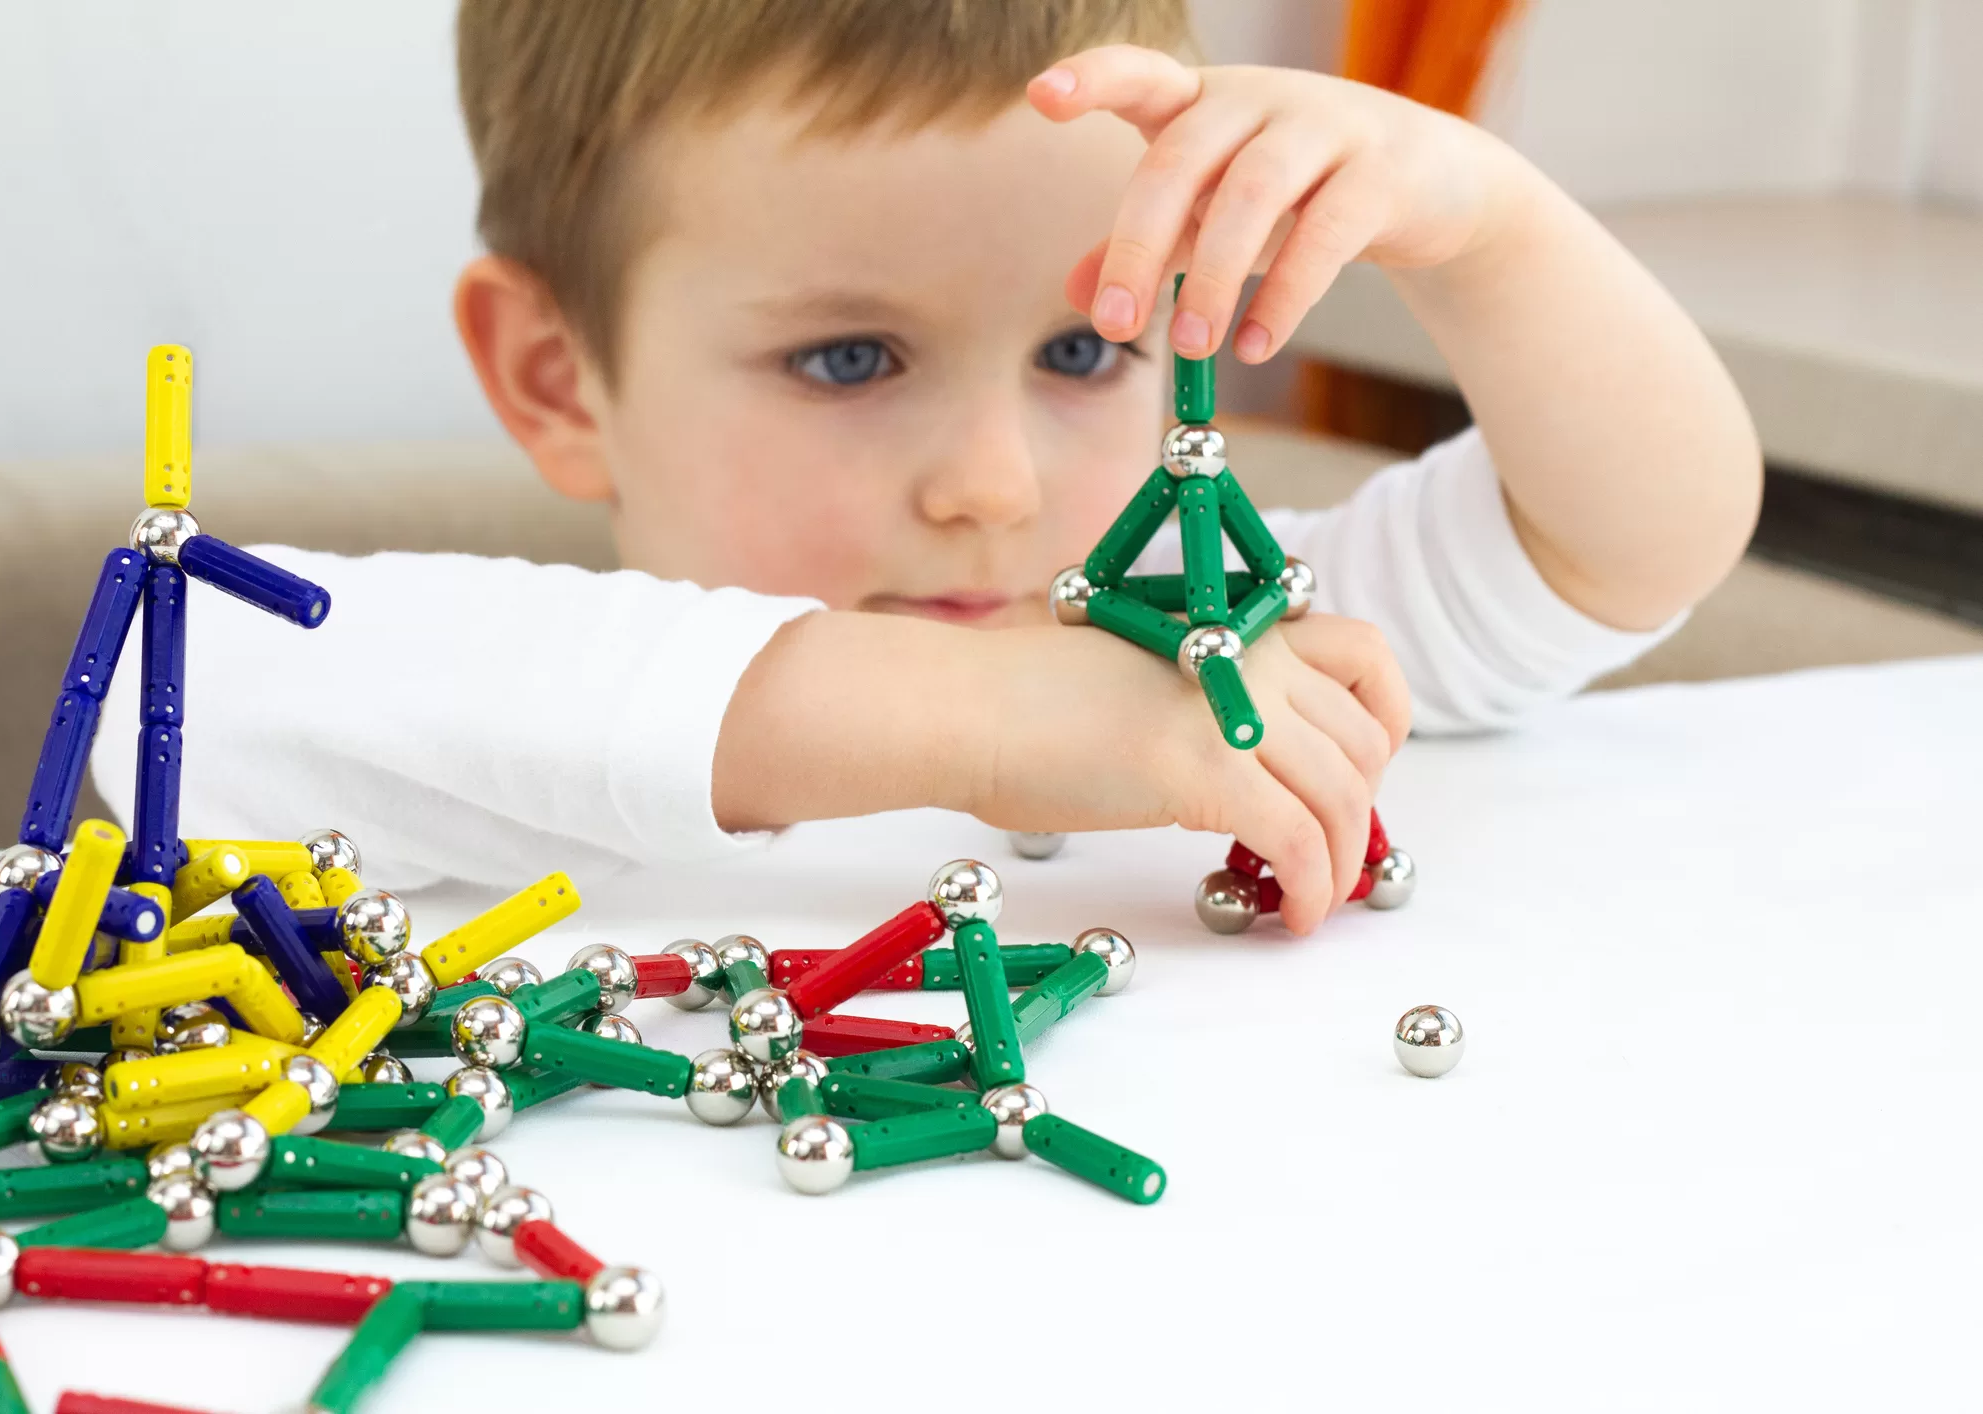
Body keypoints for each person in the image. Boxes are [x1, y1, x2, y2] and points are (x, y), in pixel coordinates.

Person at [94, 0, 1759, 936]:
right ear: (558, 377)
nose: (992, 484)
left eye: (1085, 349)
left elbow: (1636, 539)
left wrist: (1484, 222)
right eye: (848, 359)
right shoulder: (501, 732)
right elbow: (184, 683)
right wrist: (986, 723)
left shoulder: (1218, 644)